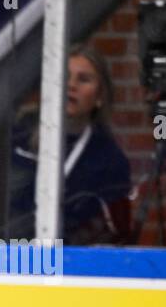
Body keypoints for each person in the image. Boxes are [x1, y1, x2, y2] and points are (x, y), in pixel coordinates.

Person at [7, 44, 132, 244]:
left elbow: (116, 236)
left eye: (83, 79)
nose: (71, 85)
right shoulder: (16, 134)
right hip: (7, 256)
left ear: (99, 97)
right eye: (64, 76)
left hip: (68, 264)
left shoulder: (110, 160)